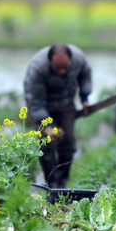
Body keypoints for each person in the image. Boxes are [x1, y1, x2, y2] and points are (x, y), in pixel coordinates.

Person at [24, 44, 92, 188]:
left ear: (71, 61)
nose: (62, 72)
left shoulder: (78, 58)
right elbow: (34, 100)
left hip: (66, 103)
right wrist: (46, 126)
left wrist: (85, 99)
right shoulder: (38, 67)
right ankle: (52, 182)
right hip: (44, 104)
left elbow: (85, 74)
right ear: (50, 63)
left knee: (68, 141)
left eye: (65, 68)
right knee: (46, 142)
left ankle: (62, 181)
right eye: (57, 68)